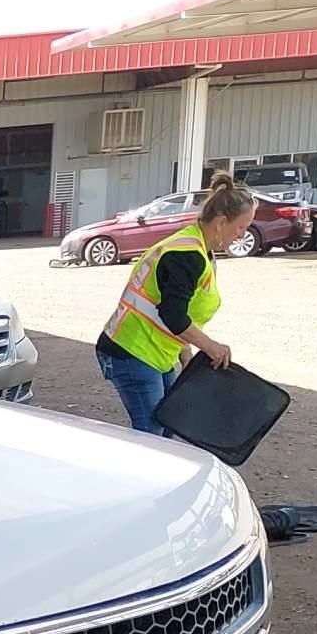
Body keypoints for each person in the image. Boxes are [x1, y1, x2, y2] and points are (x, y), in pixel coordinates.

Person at [95, 172, 255, 436]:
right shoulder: (186, 254)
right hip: (130, 350)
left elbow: (178, 310)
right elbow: (173, 314)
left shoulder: (201, 250)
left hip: (157, 352)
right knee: (153, 435)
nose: (242, 235)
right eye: (241, 227)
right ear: (221, 222)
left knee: (171, 426)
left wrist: (185, 354)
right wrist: (211, 348)